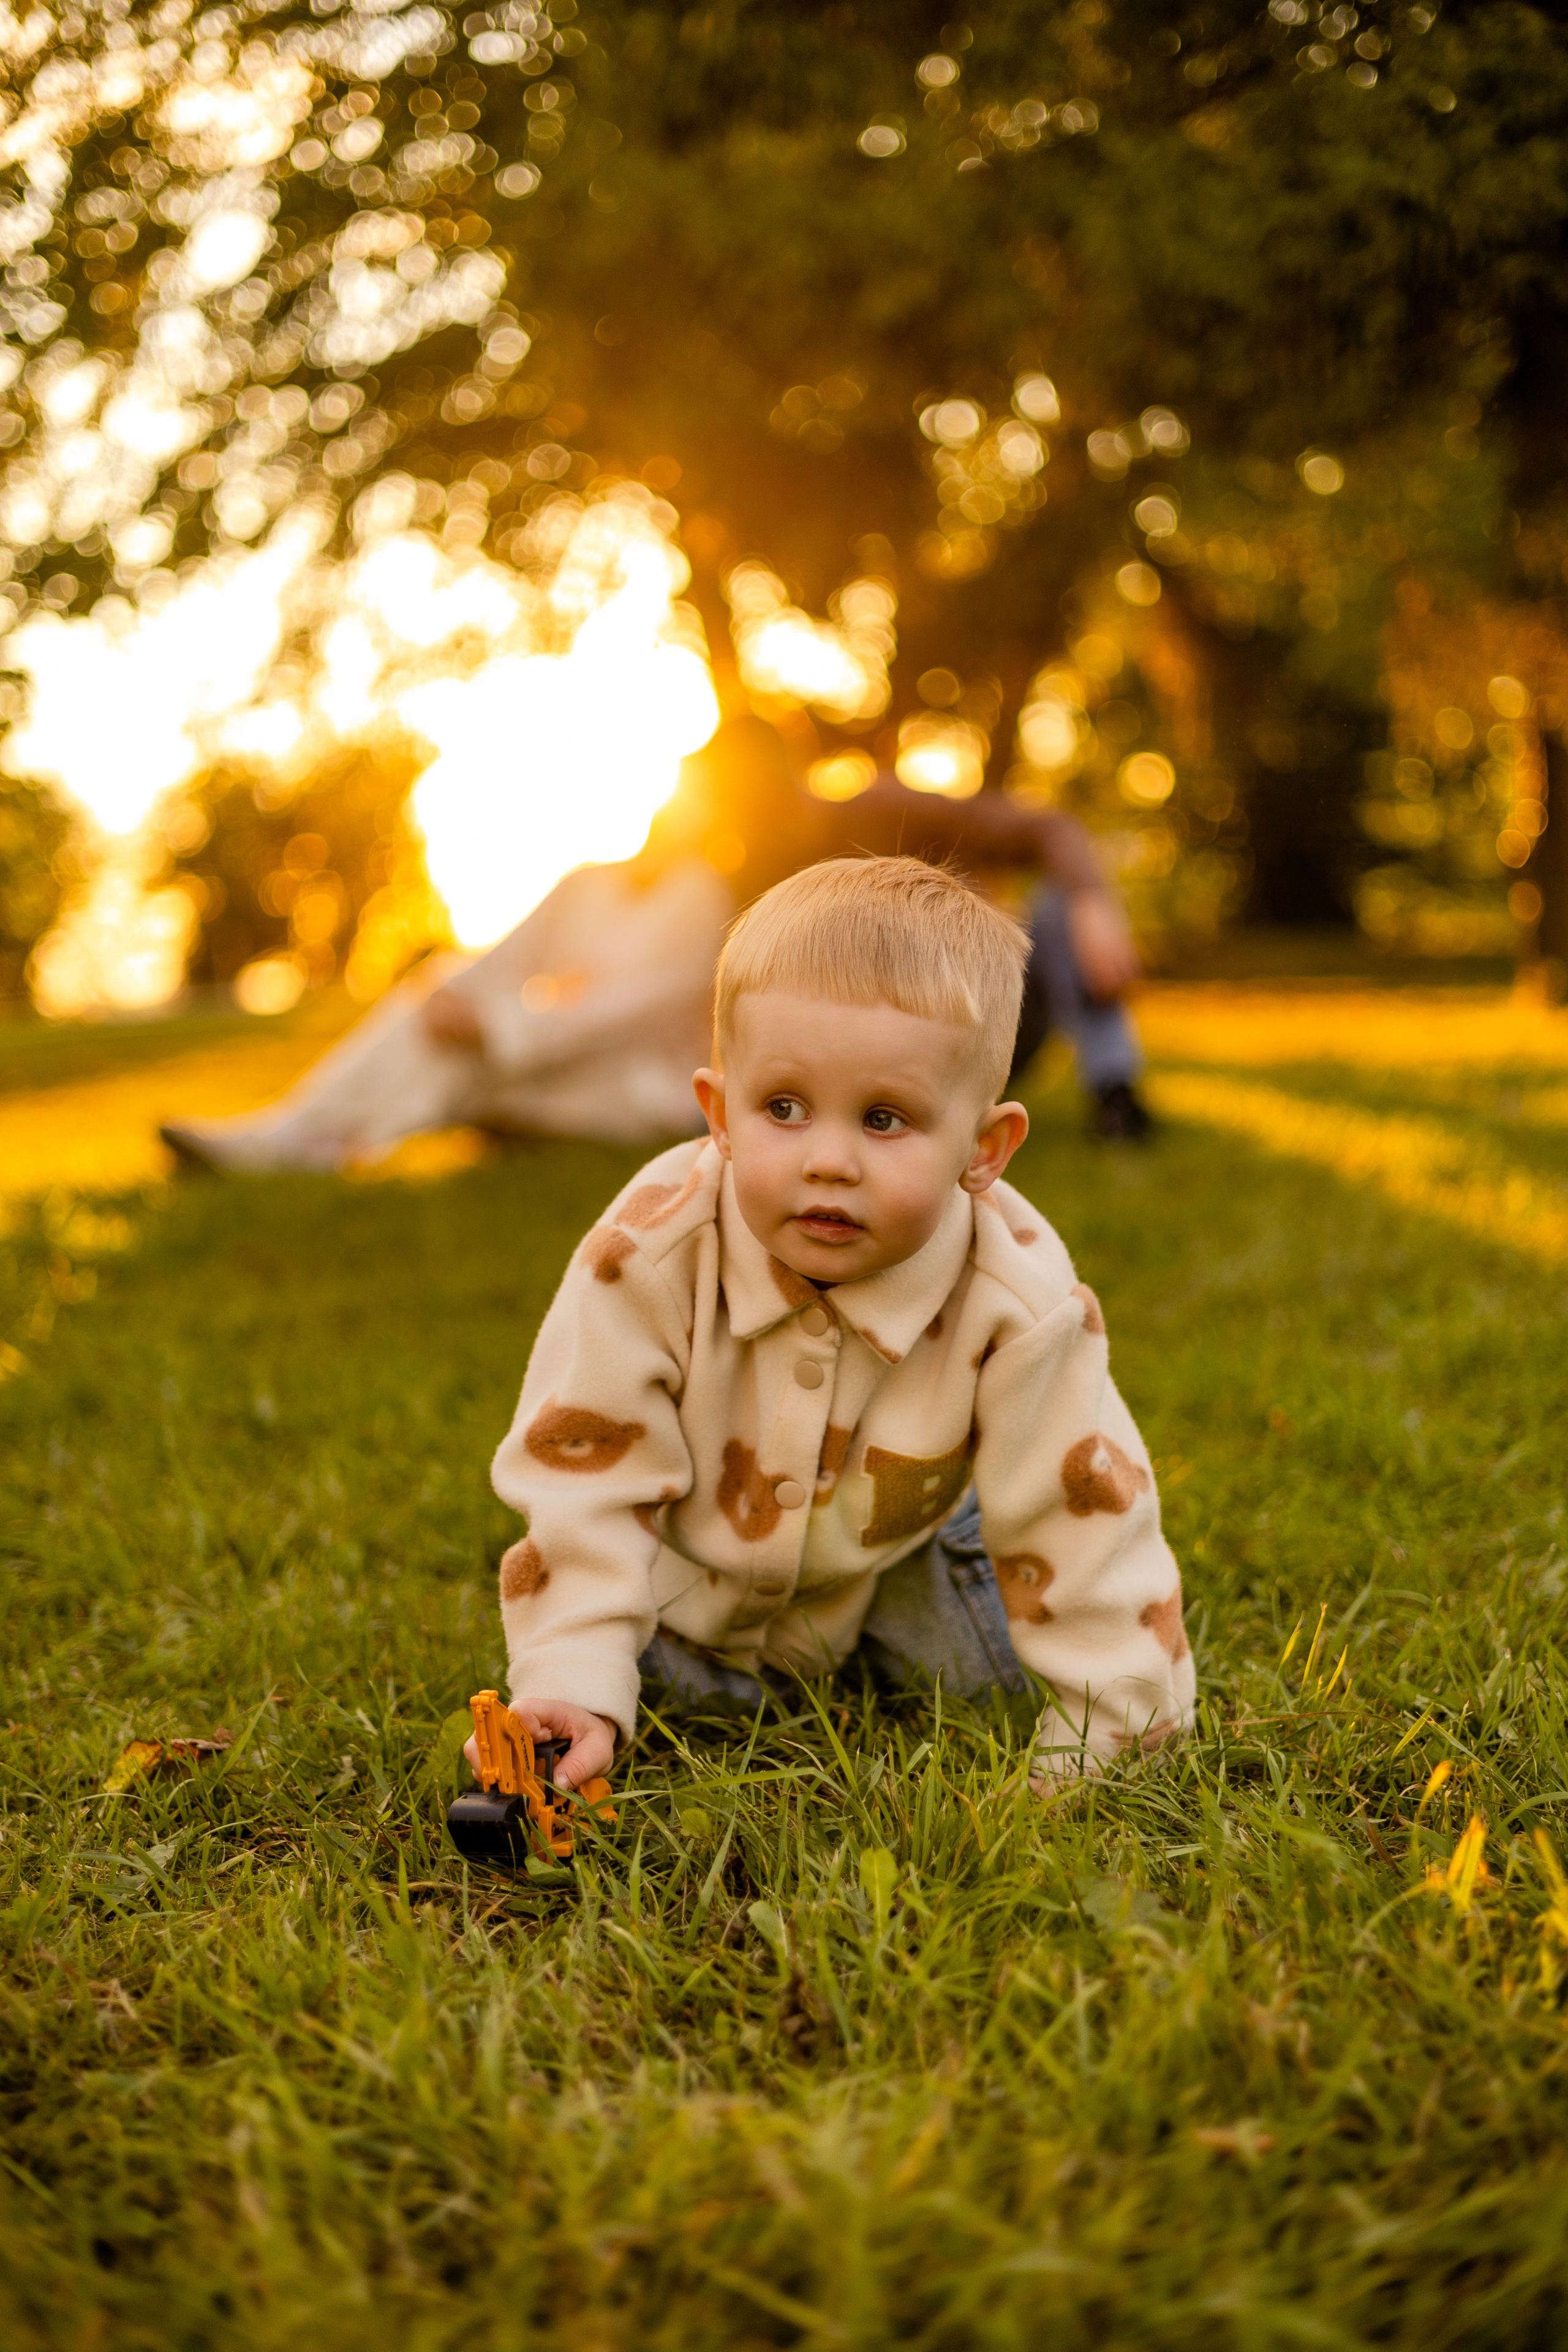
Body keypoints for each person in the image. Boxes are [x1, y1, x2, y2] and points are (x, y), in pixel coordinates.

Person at [472, 855, 1192, 1795]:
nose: (829, 1161)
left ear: (984, 1150)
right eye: (783, 1108)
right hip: (687, 1577)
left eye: (884, 1119)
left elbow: (1087, 1508)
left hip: (889, 1560)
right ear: (718, 1114)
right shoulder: (648, 1253)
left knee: (981, 1686)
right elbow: (587, 1478)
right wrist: (573, 1681)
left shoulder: (1019, 1294)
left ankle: (966, 1537)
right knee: (648, 1687)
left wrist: (1113, 1731)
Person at [161, 715, 1152, 1172]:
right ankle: (312, 1137)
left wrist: (1095, 899)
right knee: (457, 1011)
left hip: (984, 1017)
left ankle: (1118, 1095)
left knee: (1062, 911)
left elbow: (1044, 829)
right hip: (857, 1062)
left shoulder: (857, 821)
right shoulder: (713, 886)